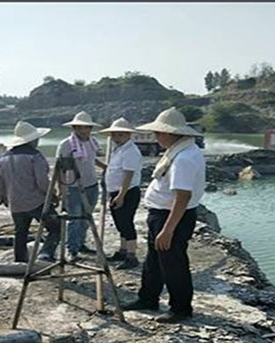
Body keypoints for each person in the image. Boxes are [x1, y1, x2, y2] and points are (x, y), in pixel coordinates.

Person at [123, 107, 205, 323]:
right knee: (154, 260)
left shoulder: (184, 158)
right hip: (162, 214)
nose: (156, 137)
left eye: (158, 133)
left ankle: (180, 308)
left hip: (171, 217)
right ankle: (148, 297)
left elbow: (183, 196)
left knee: (173, 264)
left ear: (170, 133)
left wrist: (168, 230)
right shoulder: (182, 151)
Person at [0, 121, 60, 263]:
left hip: (15, 202)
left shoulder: (3, 157)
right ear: (32, 140)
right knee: (56, 227)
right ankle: (45, 254)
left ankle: (19, 261)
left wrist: (3, 197)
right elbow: (42, 182)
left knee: (21, 233)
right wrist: (53, 195)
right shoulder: (35, 156)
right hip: (36, 201)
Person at [56, 111, 105, 262]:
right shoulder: (66, 144)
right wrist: (60, 189)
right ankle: (72, 249)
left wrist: (105, 166)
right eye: (79, 128)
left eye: (86, 128)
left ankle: (81, 243)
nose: (83, 131)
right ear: (74, 128)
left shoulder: (91, 142)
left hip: (91, 184)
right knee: (74, 219)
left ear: (90, 129)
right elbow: (59, 167)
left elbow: (92, 158)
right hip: (73, 187)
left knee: (86, 218)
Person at [98, 117, 143, 270]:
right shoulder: (118, 149)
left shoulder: (131, 151)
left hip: (127, 192)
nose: (116, 137)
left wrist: (121, 195)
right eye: (114, 134)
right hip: (116, 191)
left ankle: (132, 256)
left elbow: (128, 174)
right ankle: (123, 251)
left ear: (128, 135)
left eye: (120, 134)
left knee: (126, 223)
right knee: (120, 223)